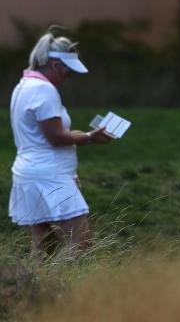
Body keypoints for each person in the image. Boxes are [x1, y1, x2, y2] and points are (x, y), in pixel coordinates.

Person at [9, 30, 112, 255]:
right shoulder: (44, 90)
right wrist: (88, 137)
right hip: (49, 174)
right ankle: (61, 287)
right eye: (68, 71)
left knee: (45, 244)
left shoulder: (23, 86)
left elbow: (51, 132)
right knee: (81, 241)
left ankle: (30, 287)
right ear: (56, 65)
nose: (68, 77)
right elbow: (55, 137)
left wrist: (86, 134)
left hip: (29, 171)